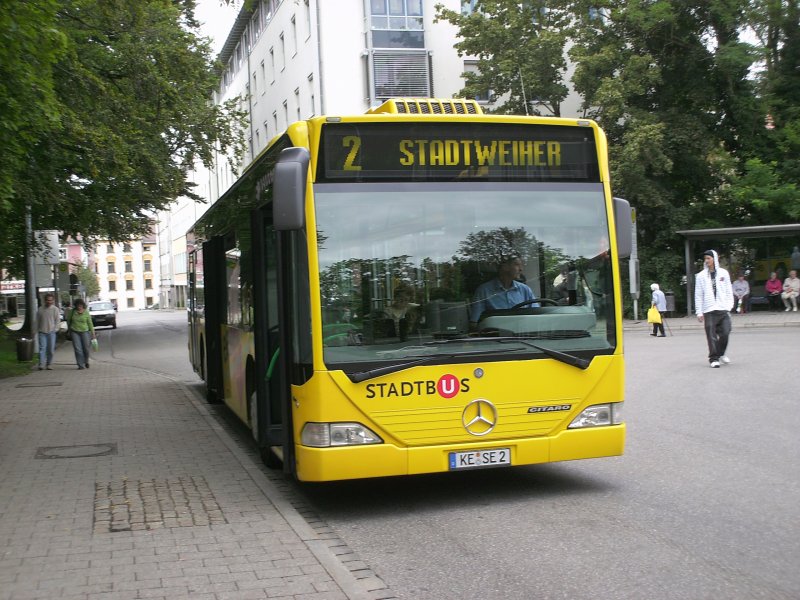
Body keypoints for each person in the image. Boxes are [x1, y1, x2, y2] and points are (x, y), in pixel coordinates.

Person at [469, 255, 538, 325]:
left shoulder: (525, 290)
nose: (521, 269)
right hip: (497, 334)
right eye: (517, 264)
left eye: (521, 265)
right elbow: (474, 323)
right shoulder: (483, 291)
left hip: (523, 332)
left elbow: (537, 315)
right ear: (505, 267)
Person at [694, 250, 734, 368]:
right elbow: (698, 294)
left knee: (726, 332)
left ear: (715, 259)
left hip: (723, 308)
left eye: (708, 258)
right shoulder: (701, 276)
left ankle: (721, 353)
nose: (706, 261)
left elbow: (728, 291)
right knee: (711, 335)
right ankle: (713, 358)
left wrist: (729, 306)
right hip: (709, 310)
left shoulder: (724, 273)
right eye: (705, 259)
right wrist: (699, 312)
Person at [67, 298, 96, 369]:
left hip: (85, 332)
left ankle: (86, 361)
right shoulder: (72, 312)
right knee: (78, 349)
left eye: (80, 306)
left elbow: (90, 323)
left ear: (83, 306)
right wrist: (69, 330)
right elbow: (68, 321)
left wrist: (93, 333)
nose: (79, 307)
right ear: (75, 306)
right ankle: (80, 365)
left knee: (86, 348)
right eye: (77, 306)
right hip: (75, 332)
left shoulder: (86, 312)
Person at [36, 293, 60, 370]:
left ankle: (49, 364)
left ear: (53, 301)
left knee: (50, 349)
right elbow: (37, 321)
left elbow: (57, 321)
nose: (49, 302)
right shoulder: (40, 309)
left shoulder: (55, 309)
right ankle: (41, 364)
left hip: (51, 332)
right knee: (42, 348)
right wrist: (36, 330)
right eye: (47, 300)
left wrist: (55, 329)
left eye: (50, 300)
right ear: (45, 300)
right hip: (42, 332)